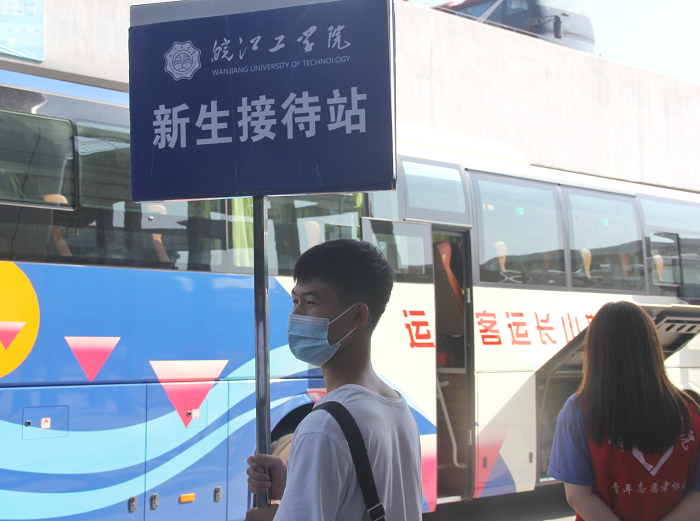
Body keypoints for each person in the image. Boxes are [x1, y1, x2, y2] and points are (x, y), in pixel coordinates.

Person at [245, 239, 423, 521]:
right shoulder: (397, 408)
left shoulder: (325, 426)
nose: (295, 316)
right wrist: (295, 486)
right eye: (295, 301)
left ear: (357, 315)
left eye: (311, 303)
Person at [548, 301, 700, 521]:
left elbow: (578, 496)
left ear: (596, 350)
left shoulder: (578, 411)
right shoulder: (690, 411)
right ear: (652, 346)